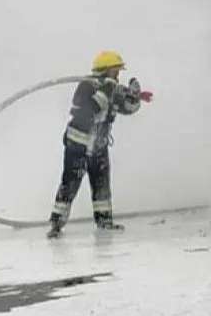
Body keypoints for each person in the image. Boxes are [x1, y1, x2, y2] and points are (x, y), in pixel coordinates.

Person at [47, 51, 152, 238]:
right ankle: (56, 224)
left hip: (98, 147)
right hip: (78, 144)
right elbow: (91, 108)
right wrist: (106, 90)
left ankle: (104, 221)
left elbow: (126, 109)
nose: (118, 75)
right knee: (70, 183)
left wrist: (135, 97)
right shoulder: (86, 86)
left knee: (101, 183)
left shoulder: (112, 89)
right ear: (105, 71)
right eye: (115, 71)